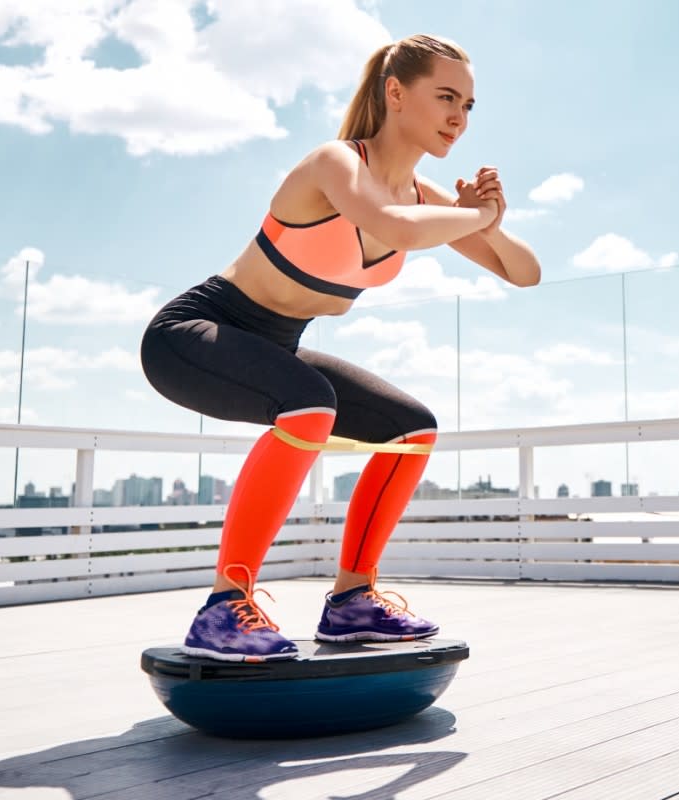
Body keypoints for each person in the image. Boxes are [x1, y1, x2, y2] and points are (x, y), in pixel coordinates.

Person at [140, 33, 541, 663]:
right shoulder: (335, 164)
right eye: (445, 98)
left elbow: (524, 272)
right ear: (395, 94)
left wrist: (490, 219)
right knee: (309, 404)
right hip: (194, 334)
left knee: (410, 428)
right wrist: (474, 219)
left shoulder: (429, 199)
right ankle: (223, 607)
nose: (459, 118)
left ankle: (352, 601)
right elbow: (391, 226)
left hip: (277, 347)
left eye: (467, 104)